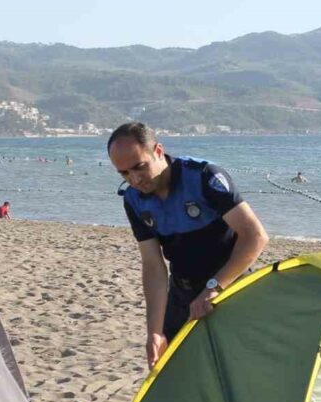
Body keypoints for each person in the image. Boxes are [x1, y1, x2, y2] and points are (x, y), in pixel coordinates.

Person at [107, 121, 269, 368]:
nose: (135, 179)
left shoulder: (205, 177)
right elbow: (153, 266)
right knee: (172, 370)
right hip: (182, 295)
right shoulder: (133, 199)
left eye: (140, 167)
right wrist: (154, 331)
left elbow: (254, 236)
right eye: (124, 174)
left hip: (230, 288)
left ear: (158, 151)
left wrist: (214, 287)